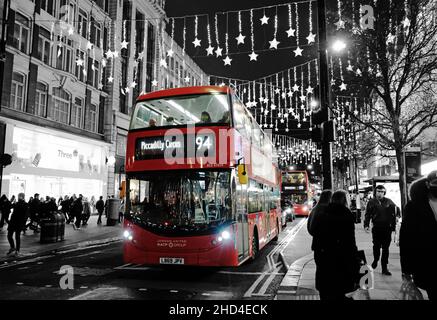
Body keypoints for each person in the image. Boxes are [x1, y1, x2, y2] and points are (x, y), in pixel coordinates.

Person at [311, 189, 358, 300]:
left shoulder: (321, 213)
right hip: (341, 260)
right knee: (340, 292)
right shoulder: (347, 215)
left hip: (324, 260)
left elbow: (315, 237)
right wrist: (354, 262)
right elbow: (350, 242)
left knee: (326, 291)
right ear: (345, 201)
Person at [400, 171, 437, 301]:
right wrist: (406, 270)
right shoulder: (414, 207)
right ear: (427, 184)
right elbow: (406, 239)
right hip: (428, 265)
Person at [364, 185, 400, 275]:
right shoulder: (371, 202)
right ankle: (376, 259)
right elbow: (367, 214)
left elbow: (397, 210)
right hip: (376, 227)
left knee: (385, 248)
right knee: (376, 246)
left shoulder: (389, 201)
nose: (380, 193)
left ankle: (384, 268)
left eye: (382, 192)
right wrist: (366, 225)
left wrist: (397, 217)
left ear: (384, 193)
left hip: (387, 228)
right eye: (378, 191)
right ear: (375, 192)